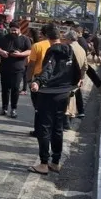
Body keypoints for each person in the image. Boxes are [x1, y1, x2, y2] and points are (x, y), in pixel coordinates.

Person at [28, 24, 82, 175]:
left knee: (43, 127)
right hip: (64, 93)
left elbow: (48, 68)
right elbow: (76, 70)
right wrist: (74, 83)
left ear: (46, 37)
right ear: (60, 36)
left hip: (48, 93)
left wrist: (37, 82)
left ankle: (44, 163)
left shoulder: (52, 50)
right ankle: (55, 162)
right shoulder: (69, 49)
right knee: (58, 127)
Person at [0, 21, 32, 118]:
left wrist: (20, 54)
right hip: (4, 68)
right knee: (5, 89)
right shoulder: (4, 38)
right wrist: (1, 52)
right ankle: (4, 108)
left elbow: (29, 51)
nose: (13, 32)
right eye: (12, 30)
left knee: (15, 89)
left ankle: (13, 109)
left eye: (15, 30)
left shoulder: (25, 39)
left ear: (19, 29)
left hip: (18, 69)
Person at [26, 24, 52, 137]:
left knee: (38, 107)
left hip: (38, 79)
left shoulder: (37, 46)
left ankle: (38, 130)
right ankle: (48, 129)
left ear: (43, 34)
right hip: (52, 79)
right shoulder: (58, 45)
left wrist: (28, 80)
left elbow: (31, 65)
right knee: (49, 107)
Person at [63, 30, 88, 121]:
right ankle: (70, 117)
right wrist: (81, 78)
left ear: (69, 38)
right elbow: (85, 67)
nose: (65, 40)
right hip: (76, 79)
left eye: (65, 38)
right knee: (72, 97)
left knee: (66, 101)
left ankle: (66, 120)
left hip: (67, 78)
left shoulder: (68, 48)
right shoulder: (82, 49)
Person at [20, 27, 41, 95]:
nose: (27, 32)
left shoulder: (29, 39)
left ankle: (24, 89)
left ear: (31, 33)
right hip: (34, 58)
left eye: (28, 31)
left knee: (25, 74)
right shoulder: (38, 41)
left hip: (28, 58)